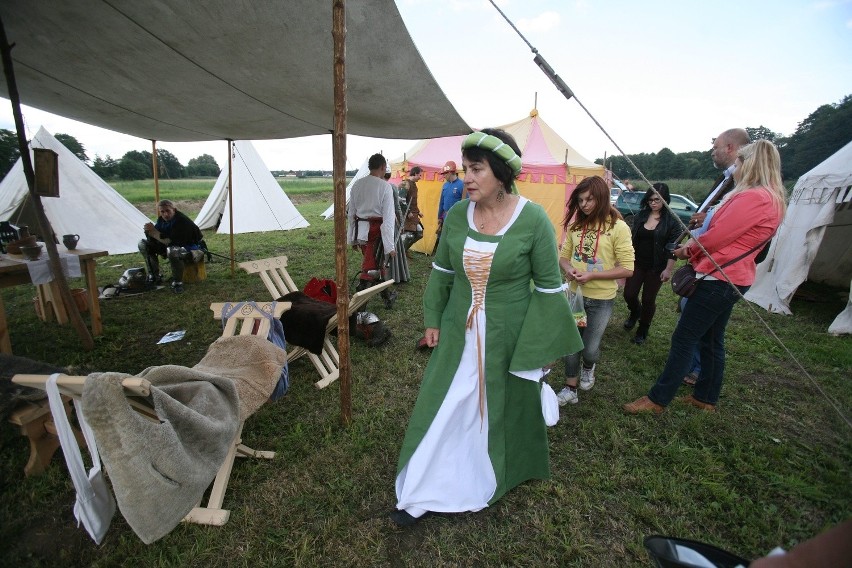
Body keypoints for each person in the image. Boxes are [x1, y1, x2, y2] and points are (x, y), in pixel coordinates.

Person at [391, 128, 582, 526]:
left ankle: (490, 467)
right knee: (450, 398)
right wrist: (432, 317)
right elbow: (442, 272)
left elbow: (549, 290)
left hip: (507, 333)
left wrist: (540, 347)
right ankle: (431, 474)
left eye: (476, 169)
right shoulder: (459, 214)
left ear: (501, 172)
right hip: (458, 329)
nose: (467, 178)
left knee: (498, 403)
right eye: (465, 169)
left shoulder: (533, 220)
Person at [623, 139, 786, 414]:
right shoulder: (772, 198)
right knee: (711, 340)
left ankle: (658, 399)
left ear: (749, 165)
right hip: (733, 277)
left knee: (685, 338)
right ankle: (706, 397)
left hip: (719, 278)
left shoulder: (754, 197)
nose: (734, 169)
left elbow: (719, 237)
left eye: (738, 163)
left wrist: (688, 249)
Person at [555, 176, 634, 405]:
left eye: (589, 199)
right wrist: (569, 269)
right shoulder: (577, 226)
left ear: (602, 198)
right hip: (574, 296)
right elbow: (564, 257)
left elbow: (627, 268)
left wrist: (592, 275)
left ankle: (589, 366)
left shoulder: (618, 227)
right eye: (580, 200)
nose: (585, 205)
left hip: (601, 299)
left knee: (590, 348)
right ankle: (570, 386)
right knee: (571, 343)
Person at [681, 128, 751, 384]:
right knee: (706, 330)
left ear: (731, 149)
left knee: (690, 332)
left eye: (716, 147)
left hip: (719, 270)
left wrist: (690, 247)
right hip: (707, 264)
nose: (713, 151)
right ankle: (703, 384)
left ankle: (690, 372)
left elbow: (724, 233)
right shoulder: (726, 180)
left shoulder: (743, 187)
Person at [622, 183, 681, 344]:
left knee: (648, 300)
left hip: (656, 267)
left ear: (665, 199)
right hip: (637, 263)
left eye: (657, 199)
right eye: (650, 200)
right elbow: (631, 239)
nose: (653, 203)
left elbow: (672, 248)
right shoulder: (641, 215)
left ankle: (643, 329)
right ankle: (635, 312)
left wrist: (668, 269)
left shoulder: (672, 221)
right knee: (629, 294)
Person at [347, 154, 397, 306]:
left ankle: (387, 298)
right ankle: (359, 303)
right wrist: (390, 246)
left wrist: (352, 238)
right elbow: (388, 219)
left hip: (361, 232)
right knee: (370, 268)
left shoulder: (357, 185)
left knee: (376, 265)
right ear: (383, 167)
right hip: (375, 234)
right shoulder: (385, 186)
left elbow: (351, 214)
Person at [138, 199, 206, 293]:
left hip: (190, 248)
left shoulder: (182, 221)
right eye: (162, 211)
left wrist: (154, 232)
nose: (165, 214)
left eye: (168, 211)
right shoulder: (162, 219)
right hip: (171, 245)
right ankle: (154, 276)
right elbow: (157, 238)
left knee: (173, 250)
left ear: (174, 210)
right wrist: (148, 232)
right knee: (143, 244)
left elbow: (172, 242)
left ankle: (178, 283)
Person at [384, 170, 410, 284]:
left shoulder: (391, 187)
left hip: (386, 223)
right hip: (385, 223)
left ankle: (389, 276)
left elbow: (397, 206)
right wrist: (401, 222)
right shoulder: (390, 186)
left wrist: (401, 221)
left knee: (390, 248)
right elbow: (397, 207)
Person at [398, 166, 424, 255]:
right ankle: (399, 253)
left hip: (413, 214)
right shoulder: (405, 183)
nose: (420, 177)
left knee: (419, 233)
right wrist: (407, 212)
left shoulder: (414, 185)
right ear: (415, 173)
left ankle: (404, 251)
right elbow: (401, 200)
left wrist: (418, 211)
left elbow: (412, 201)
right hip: (406, 215)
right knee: (408, 236)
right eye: (420, 175)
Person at [436, 160, 464, 235]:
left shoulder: (462, 185)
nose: (443, 176)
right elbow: (441, 202)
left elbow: (465, 203)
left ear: (449, 172)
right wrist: (439, 217)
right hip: (445, 217)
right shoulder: (445, 185)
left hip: (456, 219)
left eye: (444, 174)